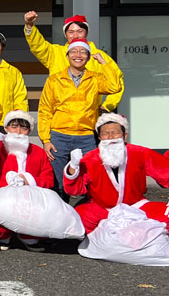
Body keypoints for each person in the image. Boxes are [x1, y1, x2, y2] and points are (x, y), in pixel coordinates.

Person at [63, 113, 169, 235]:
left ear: (124, 135)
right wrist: (73, 168)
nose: (110, 137)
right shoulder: (90, 158)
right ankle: (134, 234)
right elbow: (74, 190)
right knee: (76, 218)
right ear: (99, 137)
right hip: (102, 209)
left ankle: (120, 235)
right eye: (105, 134)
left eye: (115, 133)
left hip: (136, 207)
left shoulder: (140, 153)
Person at [37, 39, 123, 191]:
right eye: (74, 51)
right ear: (67, 55)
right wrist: (45, 139)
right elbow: (45, 110)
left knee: (89, 178)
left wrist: (104, 63)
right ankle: (60, 211)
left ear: (89, 57)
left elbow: (115, 86)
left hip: (86, 137)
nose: (78, 55)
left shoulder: (95, 78)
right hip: (59, 136)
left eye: (83, 52)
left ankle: (85, 211)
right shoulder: (54, 80)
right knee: (58, 181)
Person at [0, 110, 55, 247]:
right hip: (2, 195)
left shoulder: (37, 151)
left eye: (23, 128)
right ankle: (1, 235)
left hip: (31, 195)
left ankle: (28, 236)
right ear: (6, 128)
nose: (18, 131)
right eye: (14, 127)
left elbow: (48, 179)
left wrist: (29, 179)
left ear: (29, 130)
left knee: (38, 212)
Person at [24, 11, 124, 112]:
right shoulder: (56, 53)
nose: (75, 36)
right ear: (66, 35)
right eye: (71, 32)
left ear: (86, 32)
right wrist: (29, 26)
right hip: (60, 117)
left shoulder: (100, 56)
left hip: (88, 119)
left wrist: (107, 105)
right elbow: (38, 46)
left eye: (80, 31)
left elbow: (117, 79)